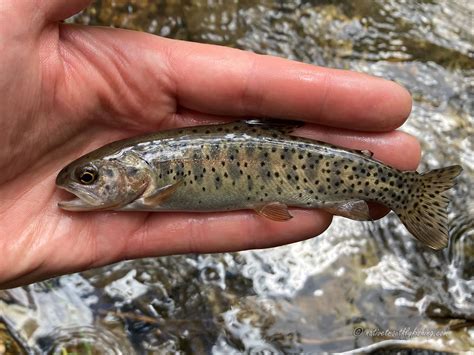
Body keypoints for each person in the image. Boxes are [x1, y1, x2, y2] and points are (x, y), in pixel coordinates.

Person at [0, 0, 419, 289]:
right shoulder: (144, 177)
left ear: (131, 175)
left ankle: (408, 192)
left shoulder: (150, 180)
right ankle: (408, 192)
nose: (81, 185)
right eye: (87, 178)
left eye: (89, 177)